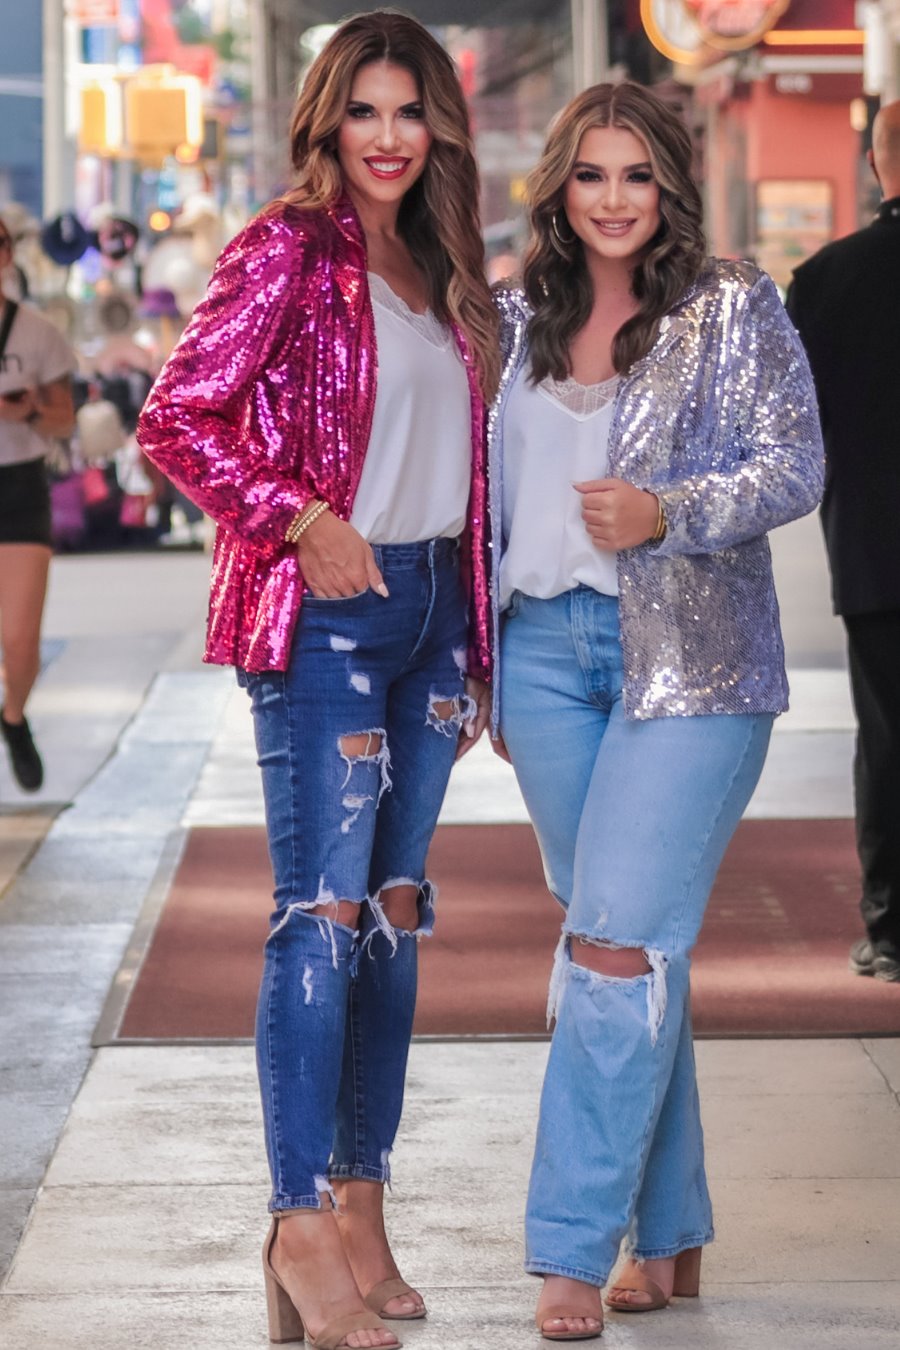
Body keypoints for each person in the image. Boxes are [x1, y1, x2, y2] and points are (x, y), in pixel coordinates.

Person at [137, 13, 498, 1349]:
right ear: (327, 122)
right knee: (323, 914)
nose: (390, 137)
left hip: (432, 618)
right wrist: (297, 517)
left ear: (438, 126)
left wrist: (483, 636)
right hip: (329, 617)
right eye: (367, 111)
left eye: (412, 112)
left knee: (396, 914)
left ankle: (361, 1202)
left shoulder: (441, 261)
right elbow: (177, 413)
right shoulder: (288, 246)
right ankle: (298, 1224)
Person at [488, 82, 823, 1341]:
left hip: (694, 663)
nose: (615, 199)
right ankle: (670, 1233)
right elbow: (489, 505)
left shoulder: (731, 305)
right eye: (590, 174)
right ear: (559, 188)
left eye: (637, 174)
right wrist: (479, 664)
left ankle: (573, 1251)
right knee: (620, 943)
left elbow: (797, 464)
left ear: (669, 183)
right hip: (544, 659)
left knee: (614, 949)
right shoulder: (513, 320)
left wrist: (669, 509)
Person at [786, 100, 900, 986]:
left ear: (875, 161)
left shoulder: (827, 279)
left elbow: (797, 429)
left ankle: (892, 928)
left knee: (889, 738)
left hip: (876, 549)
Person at [0, 215, 76, 792]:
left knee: (21, 641)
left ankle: (14, 715)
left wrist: (24, 410)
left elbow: (65, 420)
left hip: (19, 486)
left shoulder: (37, 333)